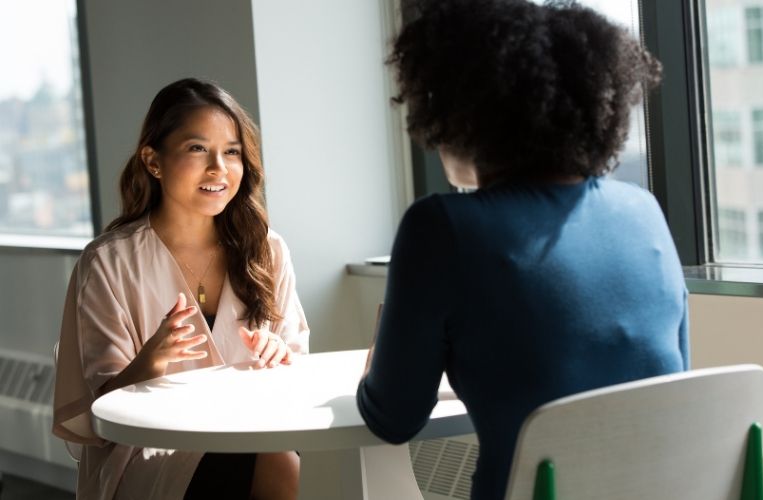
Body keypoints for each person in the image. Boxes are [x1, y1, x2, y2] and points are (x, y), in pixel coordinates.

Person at [356, 1, 689, 499]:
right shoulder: (644, 212)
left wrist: (378, 361)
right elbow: (674, 381)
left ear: (459, 112)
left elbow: (393, 418)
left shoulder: (442, 227)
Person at [52, 78, 309, 500]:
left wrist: (280, 356)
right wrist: (148, 364)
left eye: (231, 152)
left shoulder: (267, 249)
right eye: (197, 149)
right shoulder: (108, 263)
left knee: (293, 454)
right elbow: (97, 416)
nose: (219, 169)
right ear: (153, 161)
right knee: (277, 459)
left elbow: (297, 367)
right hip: (149, 452)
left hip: (255, 430)